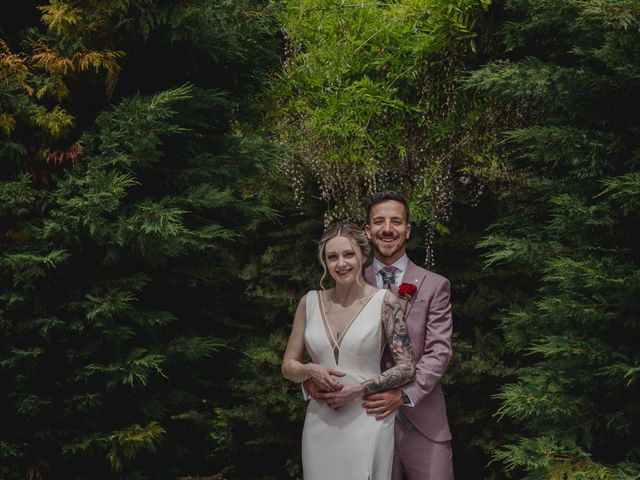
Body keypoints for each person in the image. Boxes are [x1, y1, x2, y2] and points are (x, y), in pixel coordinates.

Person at [308, 192, 454, 479]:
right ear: (368, 230)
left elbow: (439, 352)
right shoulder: (348, 282)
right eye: (379, 222)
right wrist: (311, 384)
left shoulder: (435, 286)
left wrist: (403, 394)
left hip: (421, 420)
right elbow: (325, 344)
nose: (388, 229)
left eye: (396, 221)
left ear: (407, 230)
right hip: (359, 422)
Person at [281, 222, 416, 480]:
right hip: (320, 421)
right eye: (332, 257)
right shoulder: (308, 302)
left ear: (363, 256)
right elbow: (288, 366)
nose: (341, 263)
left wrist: (357, 390)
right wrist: (309, 370)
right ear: (324, 262)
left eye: (348, 254)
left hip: (368, 416)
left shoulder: (384, 302)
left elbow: (407, 367)